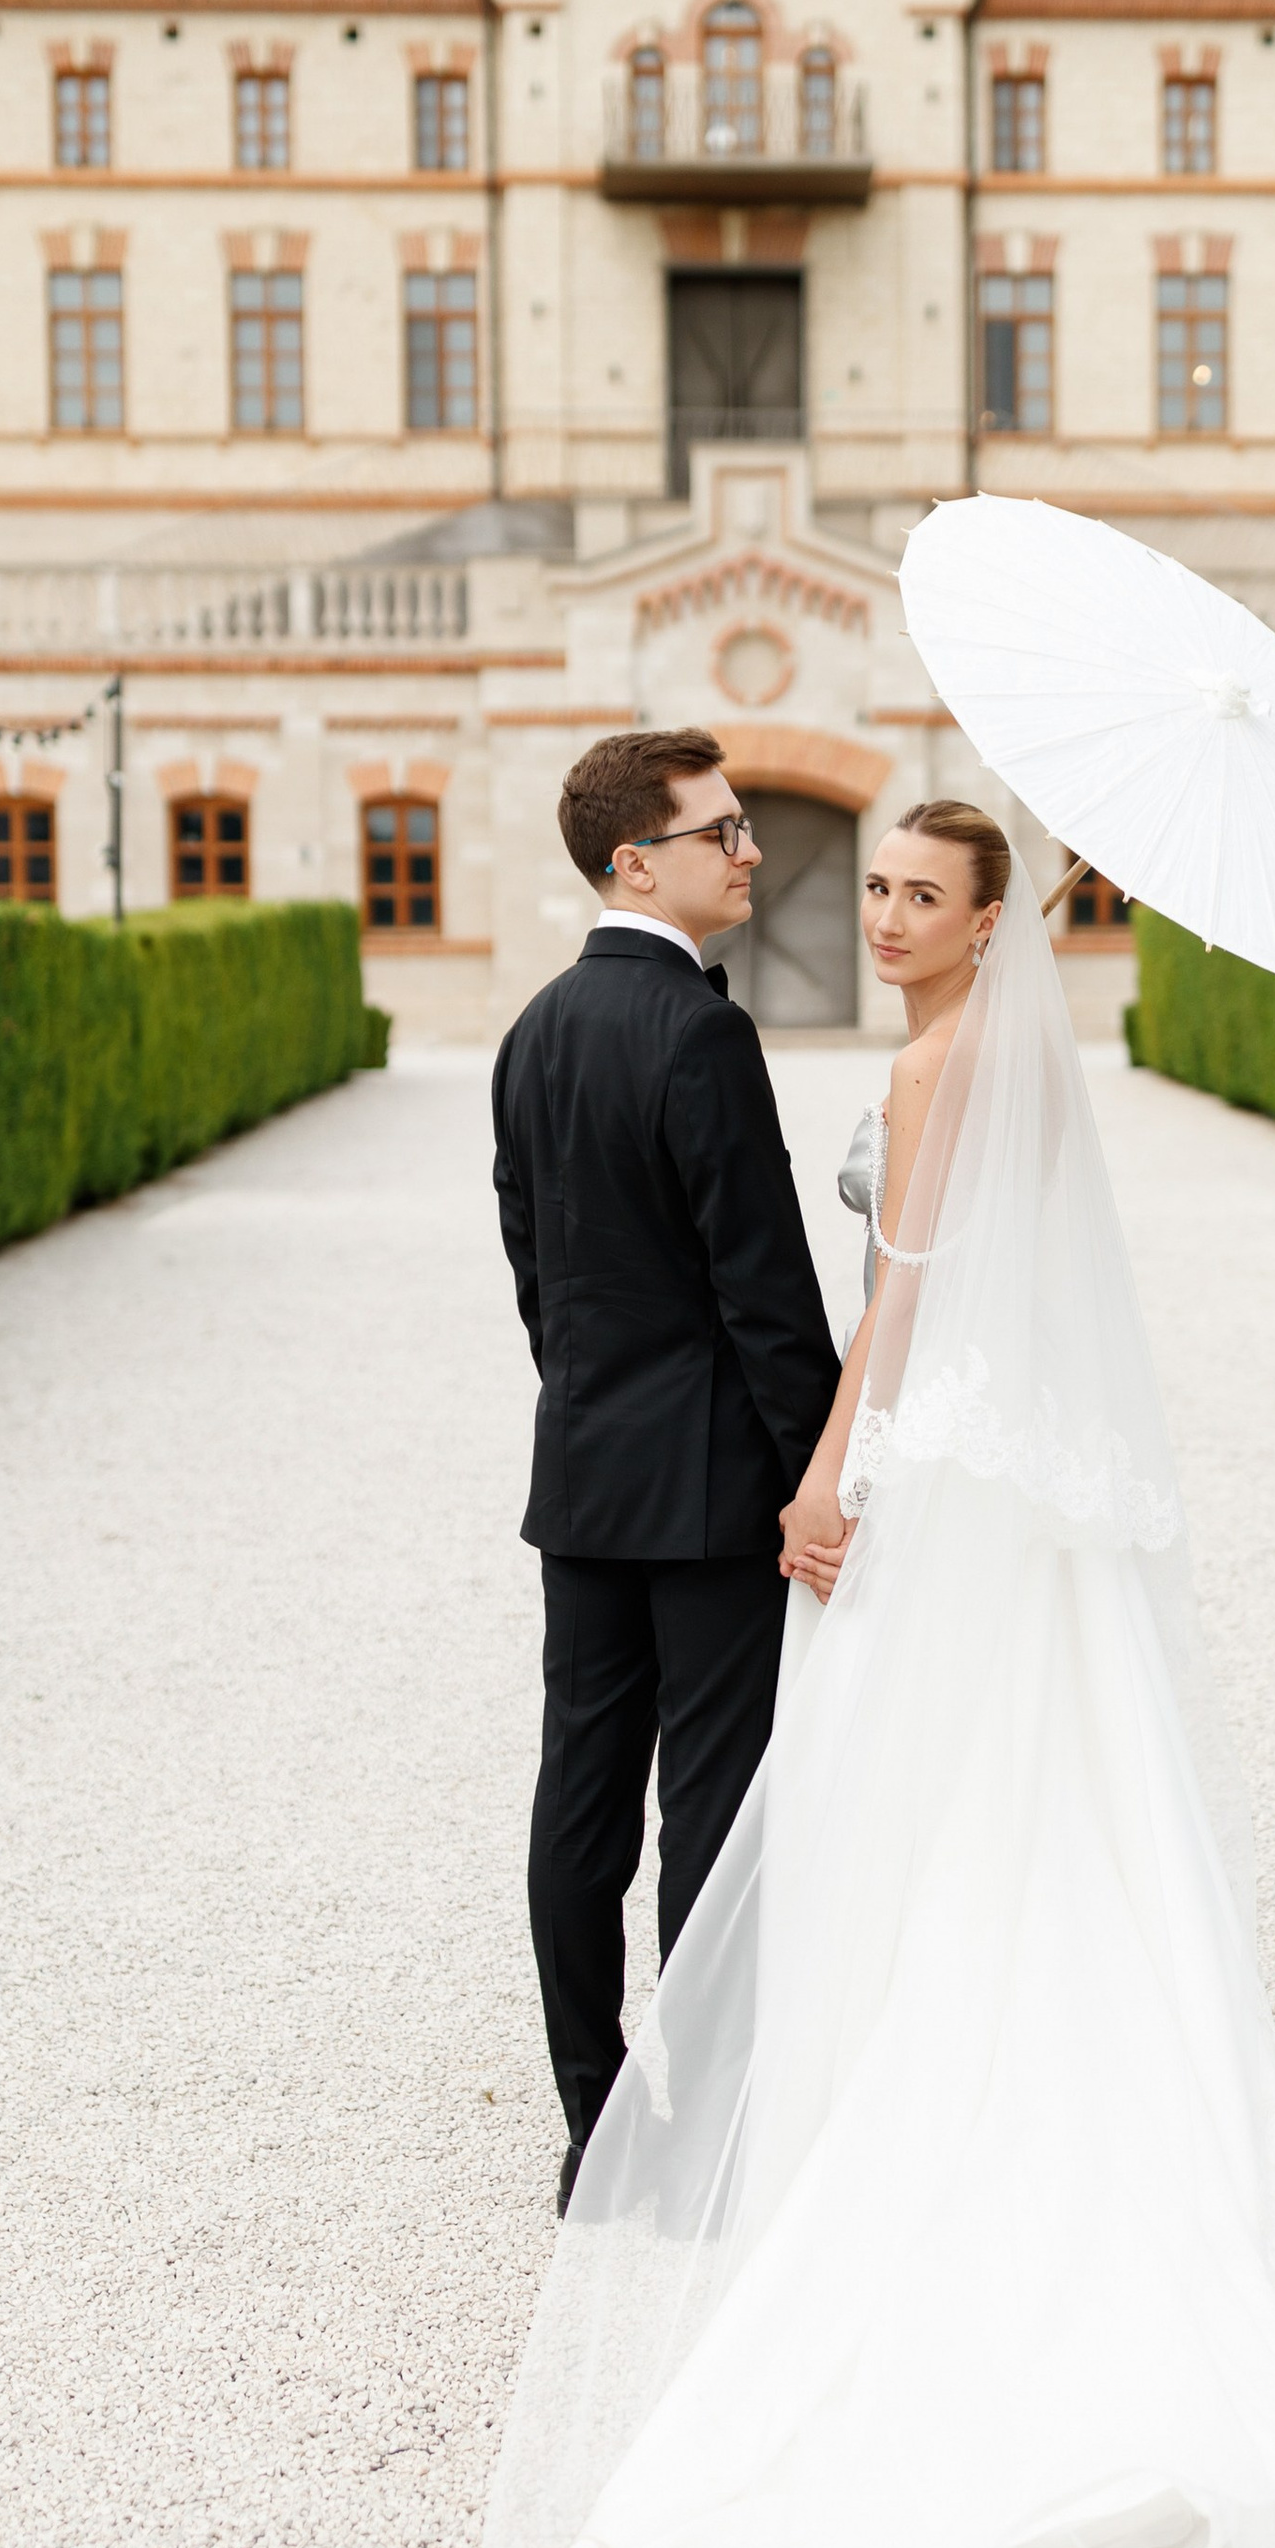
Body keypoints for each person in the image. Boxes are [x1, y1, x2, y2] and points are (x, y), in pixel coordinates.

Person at [461, 803, 1275, 2548]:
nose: (877, 916)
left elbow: (887, 1304)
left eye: (919, 898)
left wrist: (823, 1464)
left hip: (884, 1463)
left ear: (983, 925)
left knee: (850, 1811)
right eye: (880, 890)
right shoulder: (947, 1051)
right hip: (985, 1478)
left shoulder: (847, 1054)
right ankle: (893, 2098)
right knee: (970, 1816)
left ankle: (768, 2118)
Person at [490, 726, 840, 2217]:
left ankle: (595, 2125)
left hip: (583, 1478)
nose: (751, 852)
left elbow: (536, 1274)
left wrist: (591, 1408)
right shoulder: (701, 1033)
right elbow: (763, 1290)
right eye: (724, 832)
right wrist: (824, 1470)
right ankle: (697, 2140)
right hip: (707, 1492)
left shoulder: (534, 1030)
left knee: (580, 1803)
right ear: (636, 861)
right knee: (707, 1806)